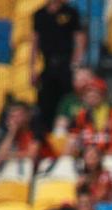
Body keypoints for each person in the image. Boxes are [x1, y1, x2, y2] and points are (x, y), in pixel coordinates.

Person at [31, 0, 85, 133]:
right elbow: (34, 42)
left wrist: (76, 63)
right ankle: (46, 135)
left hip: (66, 64)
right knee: (45, 103)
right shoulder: (39, 14)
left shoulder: (70, 12)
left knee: (67, 99)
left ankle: (70, 131)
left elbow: (79, 38)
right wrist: (32, 68)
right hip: (48, 64)